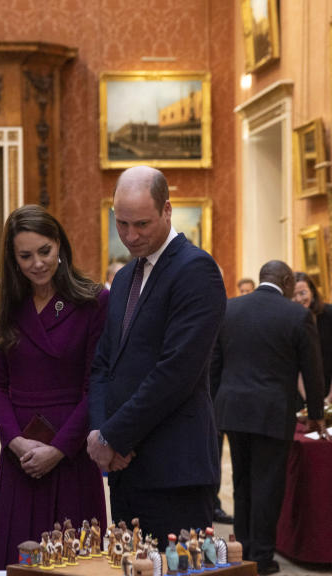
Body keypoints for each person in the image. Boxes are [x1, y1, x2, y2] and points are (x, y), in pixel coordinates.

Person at [87, 166, 227, 546]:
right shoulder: (125, 277)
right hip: (125, 467)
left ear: (167, 210)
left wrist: (114, 436)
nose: (130, 236)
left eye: (142, 224)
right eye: (122, 224)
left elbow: (176, 373)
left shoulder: (196, 270)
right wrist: (101, 434)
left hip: (173, 468)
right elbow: (104, 365)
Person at [0, 206, 108, 570]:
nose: (37, 263)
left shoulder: (92, 301)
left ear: (60, 247)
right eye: (25, 256)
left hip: (70, 447)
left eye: (45, 251)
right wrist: (15, 441)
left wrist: (57, 450)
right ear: (13, 258)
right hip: (20, 451)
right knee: (17, 563)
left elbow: (96, 385)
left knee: (75, 565)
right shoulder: (4, 304)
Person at [212, 261, 326, 576]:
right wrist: (317, 414)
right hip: (273, 411)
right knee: (268, 483)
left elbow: (215, 365)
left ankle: (244, 548)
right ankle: (262, 555)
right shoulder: (297, 315)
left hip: (232, 409)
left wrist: (213, 407)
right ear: (287, 281)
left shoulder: (229, 309)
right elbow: (312, 372)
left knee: (242, 481)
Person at [294, 272, 332, 403]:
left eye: (302, 293)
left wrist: (330, 397)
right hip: (301, 393)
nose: (298, 299)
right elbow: (294, 364)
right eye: (293, 295)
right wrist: (309, 401)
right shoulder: (289, 320)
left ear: (312, 292)